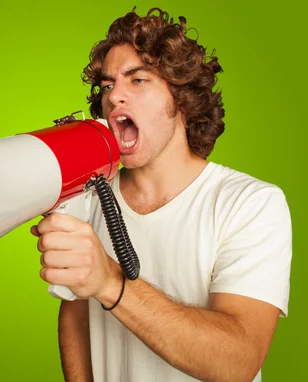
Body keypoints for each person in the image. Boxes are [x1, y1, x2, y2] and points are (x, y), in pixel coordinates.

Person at [30, 7, 293, 382]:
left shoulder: (250, 203)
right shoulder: (88, 197)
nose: (114, 95)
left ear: (181, 99)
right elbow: (75, 314)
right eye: (107, 86)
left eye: (137, 80)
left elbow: (238, 361)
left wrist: (111, 282)